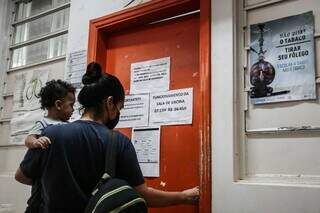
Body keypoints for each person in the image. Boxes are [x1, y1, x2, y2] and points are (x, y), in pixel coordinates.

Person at [15, 62, 199, 213]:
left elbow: (21, 176)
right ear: (109, 103)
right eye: (119, 107)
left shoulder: (51, 134)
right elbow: (143, 195)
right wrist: (184, 196)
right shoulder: (119, 142)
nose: (118, 113)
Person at [23, 80, 76, 213]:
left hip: (61, 176)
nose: (73, 110)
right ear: (58, 104)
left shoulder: (69, 125)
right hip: (43, 178)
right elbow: (29, 138)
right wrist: (35, 142)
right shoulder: (43, 123)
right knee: (39, 200)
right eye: (71, 105)